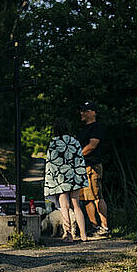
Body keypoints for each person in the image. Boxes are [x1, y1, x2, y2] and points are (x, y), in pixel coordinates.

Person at [44, 118, 88, 242]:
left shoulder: (54, 142)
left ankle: (68, 235)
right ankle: (83, 235)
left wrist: (50, 182)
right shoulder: (75, 141)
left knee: (65, 207)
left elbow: (51, 163)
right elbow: (80, 160)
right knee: (77, 206)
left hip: (60, 179)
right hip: (74, 178)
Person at [78, 101, 108, 236]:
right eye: (82, 110)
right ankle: (94, 227)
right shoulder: (83, 129)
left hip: (92, 166)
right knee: (86, 198)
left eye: (85, 110)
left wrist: (76, 156)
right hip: (83, 167)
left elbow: (92, 145)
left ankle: (104, 228)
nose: (82, 113)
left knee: (97, 196)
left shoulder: (96, 127)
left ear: (93, 112)